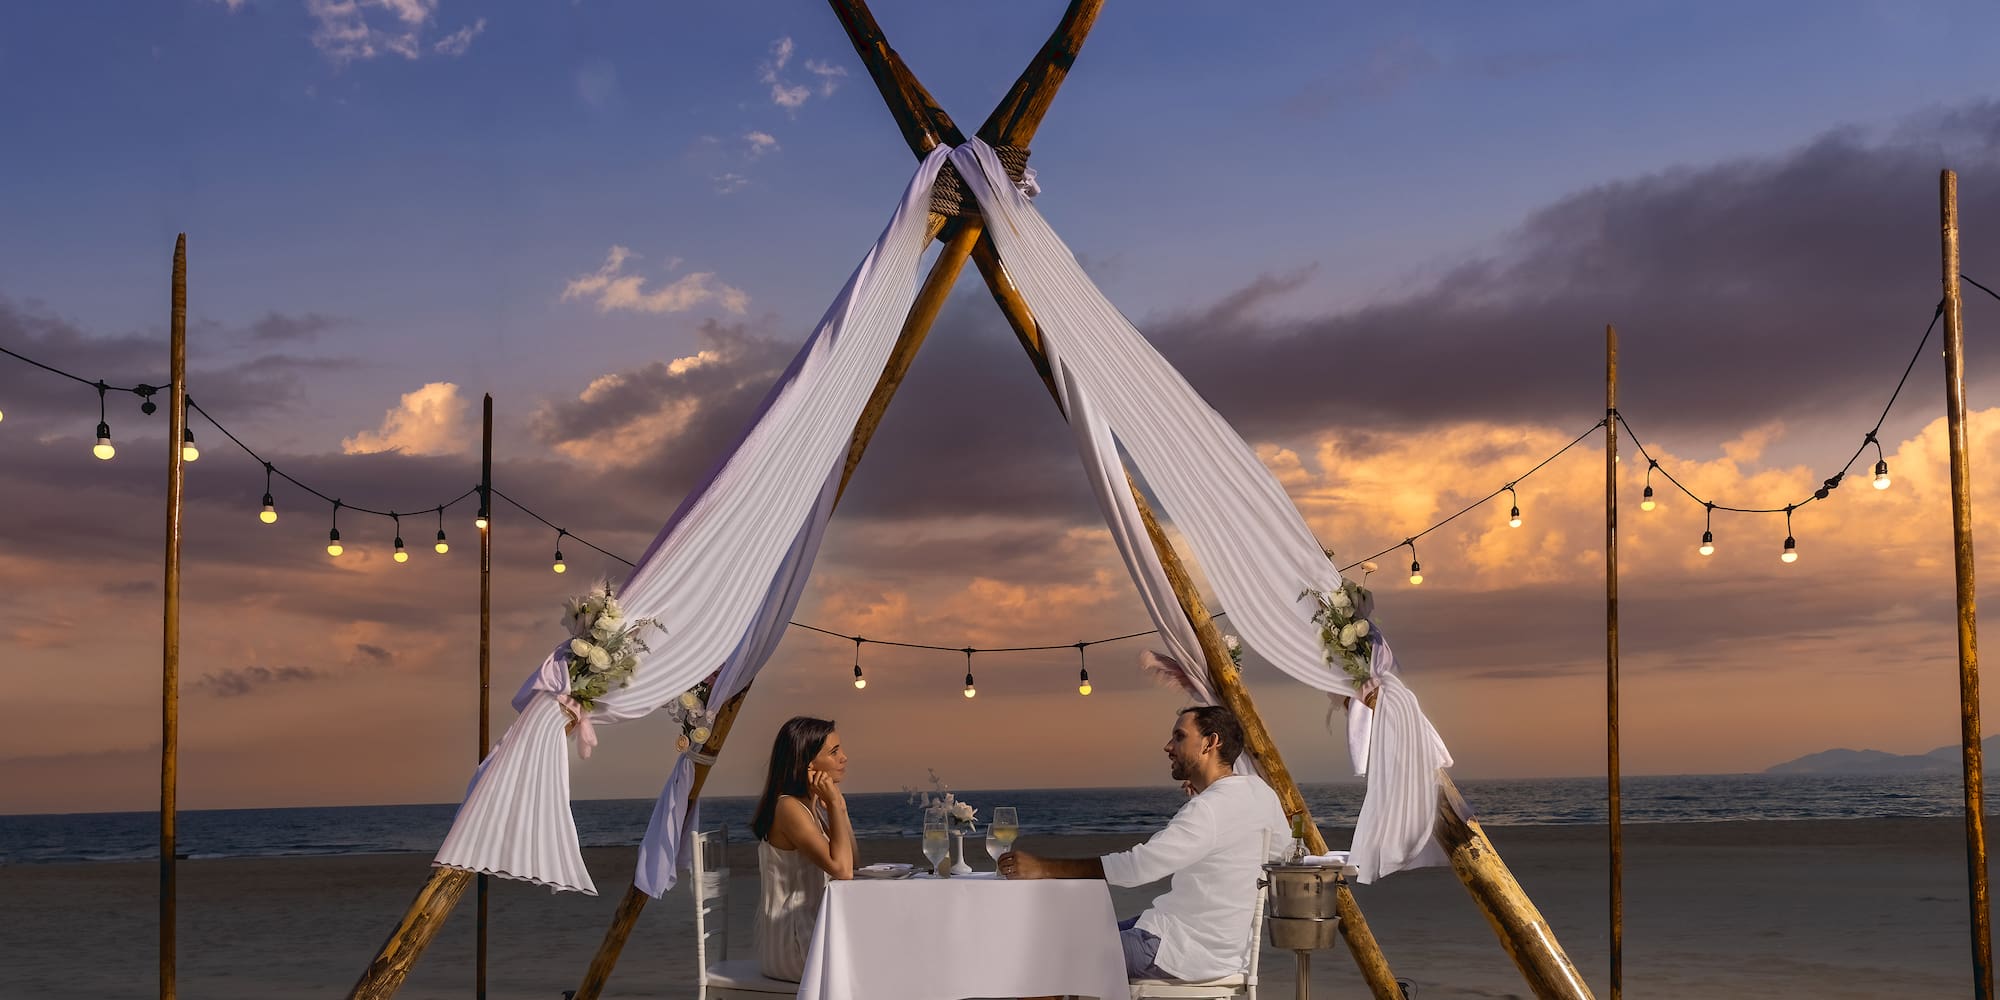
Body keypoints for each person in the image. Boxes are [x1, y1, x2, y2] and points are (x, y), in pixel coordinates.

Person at [1002, 705, 1289, 983]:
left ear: (1210, 743)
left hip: (1179, 949)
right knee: (1076, 942)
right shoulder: (1261, 795)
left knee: (1045, 957)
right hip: (1226, 950)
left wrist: (1043, 867)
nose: (1168, 746)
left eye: (1179, 737)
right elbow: (1283, 857)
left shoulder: (1210, 809)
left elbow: (1137, 868)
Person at [750, 715, 856, 982]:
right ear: (808, 763)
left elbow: (852, 860)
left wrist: (839, 809)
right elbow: (843, 871)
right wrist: (833, 804)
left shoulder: (810, 806)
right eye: (834, 751)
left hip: (810, 934)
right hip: (792, 945)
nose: (844, 757)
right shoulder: (788, 808)